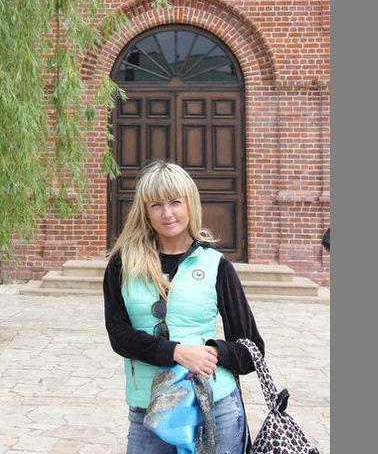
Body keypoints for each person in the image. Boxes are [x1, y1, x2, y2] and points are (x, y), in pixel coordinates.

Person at [103, 160, 265, 454]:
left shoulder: (217, 266)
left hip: (215, 409)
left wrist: (211, 352)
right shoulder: (122, 264)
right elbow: (119, 336)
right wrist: (177, 353)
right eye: (156, 205)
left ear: (190, 204)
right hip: (148, 413)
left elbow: (252, 349)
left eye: (175, 202)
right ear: (145, 211)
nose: (167, 214)